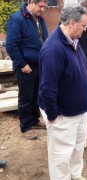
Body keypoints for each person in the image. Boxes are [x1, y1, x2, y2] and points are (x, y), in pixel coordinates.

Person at [38, 6, 87, 180]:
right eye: (83, 25)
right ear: (72, 23)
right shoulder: (53, 50)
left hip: (79, 111)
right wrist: (53, 116)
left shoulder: (73, 41)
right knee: (60, 155)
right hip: (63, 115)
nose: (85, 29)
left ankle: (75, 175)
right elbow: (48, 88)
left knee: (77, 148)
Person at [5, 0, 48, 140]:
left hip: (38, 64)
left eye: (44, 6)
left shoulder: (39, 19)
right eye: (40, 6)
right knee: (26, 97)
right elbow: (11, 45)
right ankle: (26, 127)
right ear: (31, 2)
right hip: (25, 66)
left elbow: (43, 39)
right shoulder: (17, 19)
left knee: (36, 94)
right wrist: (22, 64)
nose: (43, 9)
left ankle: (35, 120)